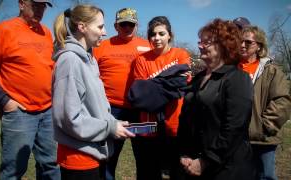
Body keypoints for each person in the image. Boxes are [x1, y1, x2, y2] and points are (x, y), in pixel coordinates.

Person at [0, 0, 60, 179]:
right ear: (22, 4)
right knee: (13, 170)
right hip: (19, 112)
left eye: (43, 6)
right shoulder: (3, 30)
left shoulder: (45, 32)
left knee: (51, 165)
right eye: (35, 4)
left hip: (47, 110)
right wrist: (5, 101)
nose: (40, 9)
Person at [52, 4, 135, 180]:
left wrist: (114, 122)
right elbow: (68, 119)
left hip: (93, 153)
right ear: (82, 27)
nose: (104, 32)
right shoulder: (70, 61)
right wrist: (110, 128)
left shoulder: (89, 59)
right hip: (78, 159)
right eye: (100, 26)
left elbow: (94, 106)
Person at [177, 18, 256, 180]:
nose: (200, 46)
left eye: (207, 42)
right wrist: (184, 153)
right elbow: (185, 119)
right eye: (201, 41)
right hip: (192, 164)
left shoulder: (237, 79)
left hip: (226, 168)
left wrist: (206, 161)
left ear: (223, 46)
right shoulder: (198, 78)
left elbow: (234, 127)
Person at [130, 16, 191, 180]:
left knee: (177, 172)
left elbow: (181, 83)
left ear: (170, 35)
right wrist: (168, 81)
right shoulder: (141, 60)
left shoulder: (181, 54)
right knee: (148, 172)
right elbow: (141, 94)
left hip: (175, 123)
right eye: (153, 34)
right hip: (148, 125)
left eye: (161, 33)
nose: (156, 38)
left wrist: (153, 84)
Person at [93, 7, 150, 180]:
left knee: (144, 157)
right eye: (123, 24)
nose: (127, 27)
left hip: (140, 111)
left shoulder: (147, 46)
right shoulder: (102, 46)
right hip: (111, 110)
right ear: (116, 25)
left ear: (137, 25)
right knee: (108, 156)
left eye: (131, 24)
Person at [238, 25, 291, 180]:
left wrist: (264, 126)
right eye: (240, 41)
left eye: (248, 42)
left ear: (259, 46)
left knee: (265, 176)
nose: (242, 45)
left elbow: (283, 100)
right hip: (237, 138)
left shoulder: (271, 70)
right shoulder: (233, 68)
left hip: (263, 139)